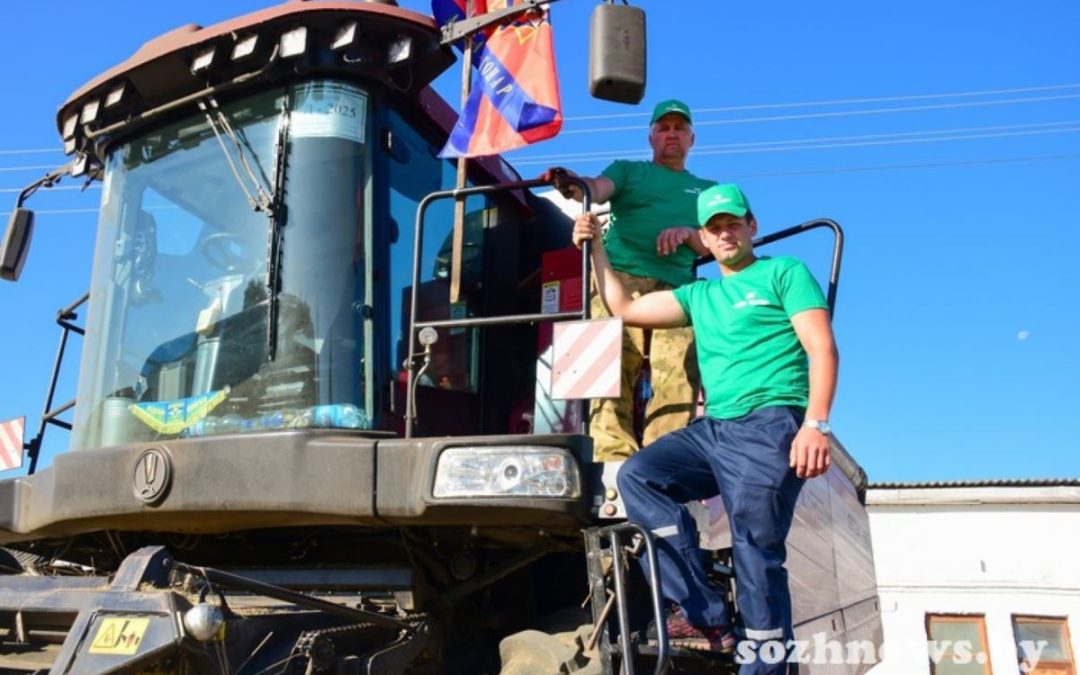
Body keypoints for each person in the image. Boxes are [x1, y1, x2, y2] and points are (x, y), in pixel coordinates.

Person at [572, 183, 837, 669]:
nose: (725, 234)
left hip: (771, 424)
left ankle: (767, 666)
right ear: (705, 239)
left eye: (733, 223)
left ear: (751, 226)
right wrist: (596, 249)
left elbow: (822, 348)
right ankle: (704, 612)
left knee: (755, 549)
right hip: (716, 430)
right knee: (638, 475)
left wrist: (815, 425)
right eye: (714, 228)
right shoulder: (700, 294)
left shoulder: (784, 272)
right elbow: (626, 309)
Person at [542, 99, 716, 461]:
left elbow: (714, 245)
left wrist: (687, 233)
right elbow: (595, 187)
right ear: (651, 137)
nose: (672, 134)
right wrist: (571, 184)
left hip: (677, 290)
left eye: (679, 129)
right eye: (664, 128)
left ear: (692, 139)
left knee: (680, 370)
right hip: (616, 279)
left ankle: (662, 457)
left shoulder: (706, 191)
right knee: (608, 365)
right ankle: (612, 456)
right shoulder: (627, 171)